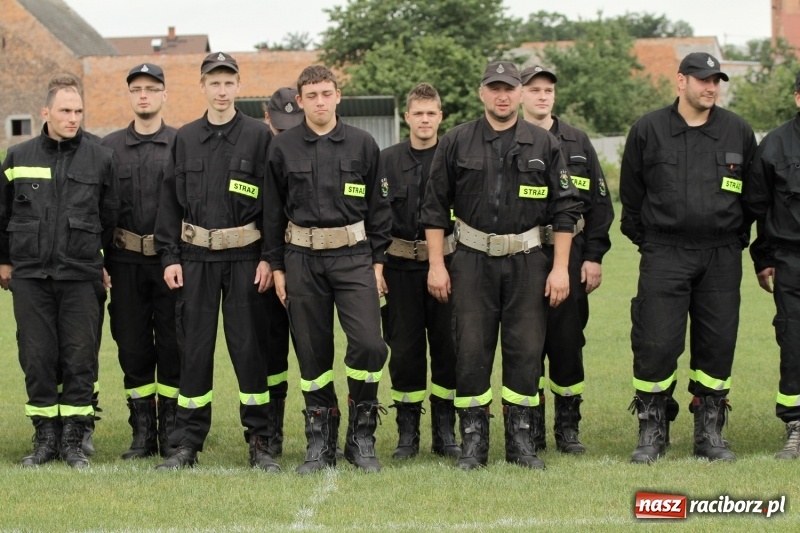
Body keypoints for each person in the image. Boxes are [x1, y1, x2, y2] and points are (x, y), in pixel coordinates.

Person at [421, 61, 581, 471]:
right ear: (482, 93)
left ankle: (521, 441)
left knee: (526, 350)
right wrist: (437, 265)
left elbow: (566, 210)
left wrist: (560, 268)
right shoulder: (457, 141)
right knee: (471, 349)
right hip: (471, 260)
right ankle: (473, 442)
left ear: (520, 92)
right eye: (494, 88)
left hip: (528, 262)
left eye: (509, 88)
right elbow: (435, 209)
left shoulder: (544, 145)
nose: (502, 95)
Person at [620, 52, 757, 463]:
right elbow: (631, 197)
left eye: (716, 80)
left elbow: (753, 197)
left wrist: (733, 241)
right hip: (664, 251)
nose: (711, 87)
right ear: (681, 81)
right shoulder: (649, 129)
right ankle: (652, 427)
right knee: (656, 342)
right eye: (702, 80)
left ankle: (710, 429)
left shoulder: (737, 130)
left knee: (717, 344)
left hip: (720, 254)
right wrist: (655, 242)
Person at [153, 52, 279, 471]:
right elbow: (169, 204)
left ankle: (260, 441)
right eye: (214, 83)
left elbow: (274, 204)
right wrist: (170, 256)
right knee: (194, 352)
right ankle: (187, 442)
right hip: (195, 259)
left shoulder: (260, 136)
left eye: (228, 83)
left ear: (238, 86)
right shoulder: (184, 138)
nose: (221, 90)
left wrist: (268, 258)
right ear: (202, 86)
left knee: (249, 351)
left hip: (246, 258)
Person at [263, 65, 391, 474]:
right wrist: (278, 268)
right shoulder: (283, 149)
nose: (320, 101)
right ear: (300, 101)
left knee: (370, 344)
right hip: (301, 258)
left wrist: (378, 263)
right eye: (312, 95)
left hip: (354, 256)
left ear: (338, 96)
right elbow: (270, 213)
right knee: (312, 353)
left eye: (326, 93)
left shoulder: (363, 144)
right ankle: (319, 440)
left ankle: (362, 435)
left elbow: (379, 209)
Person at [0, 74, 119, 469]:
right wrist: (4, 261)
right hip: (31, 276)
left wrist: (102, 265)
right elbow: (2, 215)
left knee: (80, 358)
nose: (73, 118)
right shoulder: (18, 157)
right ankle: (44, 439)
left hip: (81, 275)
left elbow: (110, 217)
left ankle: (73, 440)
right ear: (45, 112)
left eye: (79, 111)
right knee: (36, 357)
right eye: (65, 111)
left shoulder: (101, 157)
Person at [519, 66, 615, 454]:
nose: (543, 96)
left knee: (567, 341)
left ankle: (568, 425)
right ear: (521, 94)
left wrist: (592, 257)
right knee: (525, 341)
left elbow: (599, 205)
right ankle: (531, 426)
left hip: (571, 254)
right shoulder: (513, 139)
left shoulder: (577, 141)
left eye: (549, 90)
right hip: (524, 253)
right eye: (535, 90)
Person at [101, 63, 180, 460]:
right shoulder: (109, 148)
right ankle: (142, 431)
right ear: (129, 96)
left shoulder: (183, 143)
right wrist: (98, 260)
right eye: (137, 89)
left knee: (172, 347)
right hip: (125, 261)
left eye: (152, 88)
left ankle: (170, 429)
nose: (144, 95)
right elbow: (97, 209)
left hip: (171, 264)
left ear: (165, 94)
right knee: (132, 349)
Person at [380, 83, 460, 460]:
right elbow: (373, 218)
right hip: (399, 268)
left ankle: (445, 432)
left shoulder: (456, 157)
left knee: (449, 349)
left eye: (432, 113)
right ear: (406, 117)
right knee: (405, 352)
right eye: (418, 113)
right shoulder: (386, 161)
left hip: (448, 267)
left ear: (440, 117)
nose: (425, 119)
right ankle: (407, 433)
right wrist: (374, 267)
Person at [744, 70, 800, 460]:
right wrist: (764, 258)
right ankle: (797, 424)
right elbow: (759, 207)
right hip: (792, 260)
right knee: (795, 342)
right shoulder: (775, 145)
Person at [258, 87, 304, 457]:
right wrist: (267, 261)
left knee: (311, 349)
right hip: (265, 264)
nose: (285, 136)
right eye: (280, 128)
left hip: (306, 263)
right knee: (271, 351)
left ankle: (318, 430)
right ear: (267, 118)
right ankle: (271, 433)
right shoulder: (257, 151)